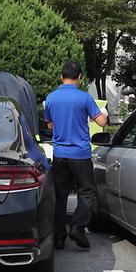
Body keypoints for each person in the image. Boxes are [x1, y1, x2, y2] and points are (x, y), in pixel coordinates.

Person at [44, 61, 108, 250]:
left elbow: (49, 125)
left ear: (61, 77)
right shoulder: (84, 98)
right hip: (80, 154)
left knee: (60, 195)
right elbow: (102, 122)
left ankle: (58, 237)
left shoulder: (51, 98)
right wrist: (103, 114)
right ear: (80, 77)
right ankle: (78, 228)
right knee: (87, 192)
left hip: (60, 154)